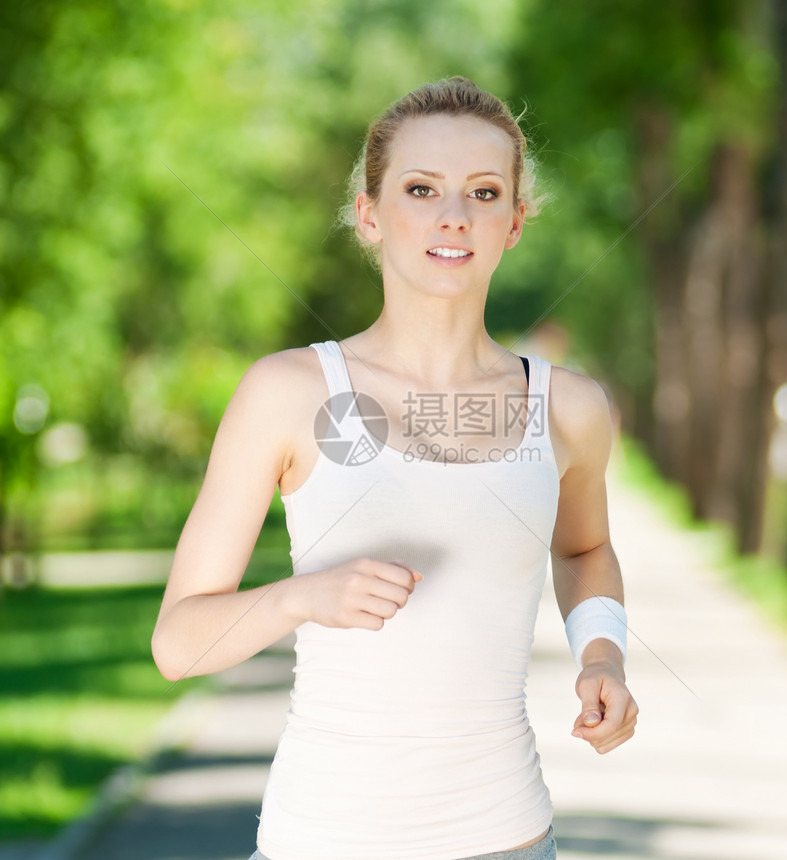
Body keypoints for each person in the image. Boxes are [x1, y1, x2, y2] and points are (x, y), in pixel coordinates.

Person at [151, 76, 637, 860]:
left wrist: (603, 653)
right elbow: (179, 644)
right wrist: (302, 597)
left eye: (484, 193)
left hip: (508, 834)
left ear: (515, 222)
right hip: (322, 838)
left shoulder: (568, 408)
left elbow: (584, 549)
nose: (454, 216)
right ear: (369, 214)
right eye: (421, 189)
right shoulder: (287, 393)